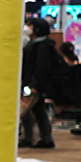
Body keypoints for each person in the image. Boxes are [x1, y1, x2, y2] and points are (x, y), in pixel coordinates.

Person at [22, 17, 60, 148]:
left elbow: (41, 67)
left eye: (30, 25)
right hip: (32, 83)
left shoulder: (41, 46)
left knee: (29, 110)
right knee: (36, 110)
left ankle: (39, 138)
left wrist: (35, 85)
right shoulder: (35, 44)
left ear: (37, 29)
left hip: (35, 84)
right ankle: (41, 138)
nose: (27, 28)